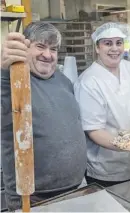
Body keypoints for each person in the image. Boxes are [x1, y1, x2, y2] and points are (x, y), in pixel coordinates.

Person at [1, 22, 87, 211]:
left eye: (53, 49)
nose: (47, 55)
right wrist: (3, 71)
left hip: (78, 187)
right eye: (40, 46)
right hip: (34, 198)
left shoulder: (63, 81)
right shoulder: (14, 80)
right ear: (25, 48)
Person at [74, 22, 130, 187]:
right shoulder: (89, 82)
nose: (114, 48)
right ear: (97, 48)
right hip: (107, 170)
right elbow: (94, 131)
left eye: (119, 42)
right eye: (107, 43)